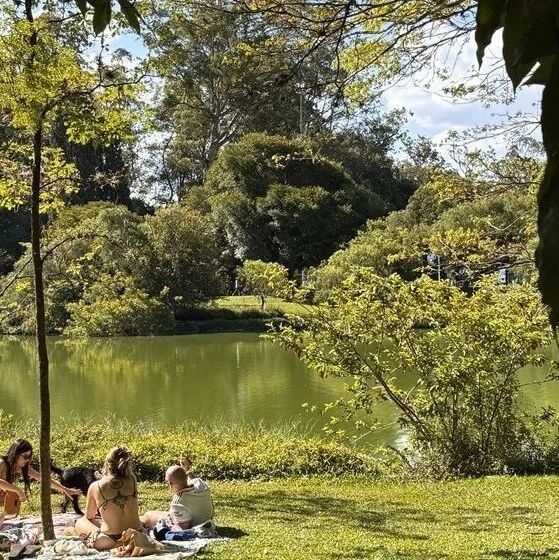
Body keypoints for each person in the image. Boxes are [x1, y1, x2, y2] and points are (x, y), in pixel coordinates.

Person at [75, 446, 143, 550]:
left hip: (109, 540)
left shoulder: (96, 486)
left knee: (80, 522)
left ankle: (99, 537)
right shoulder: (132, 479)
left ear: (107, 463)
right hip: (136, 536)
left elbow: (89, 516)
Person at [0, 439, 81, 521]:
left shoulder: (23, 468)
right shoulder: (2, 463)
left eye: (29, 457)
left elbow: (44, 479)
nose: (27, 460)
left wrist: (65, 490)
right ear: (15, 454)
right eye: (25, 456)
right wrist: (18, 491)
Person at [141, 457, 214, 532]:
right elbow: (192, 480)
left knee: (148, 515)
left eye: (166, 482)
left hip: (196, 528)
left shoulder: (178, 504)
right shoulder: (200, 484)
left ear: (170, 484)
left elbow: (183, 530)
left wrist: (169, 523)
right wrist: (186, 469)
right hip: (207, 523)